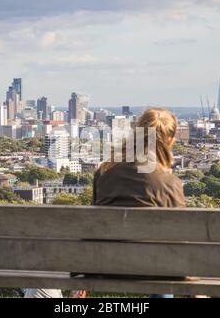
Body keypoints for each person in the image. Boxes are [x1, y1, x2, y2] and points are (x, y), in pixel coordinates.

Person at [93, 108, 186, 298]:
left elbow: (94, 219)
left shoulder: (103, 172)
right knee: (165, 261)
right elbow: (180, 237)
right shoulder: (169, 184)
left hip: (104, 264)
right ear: (170, 141)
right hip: (153, 267)